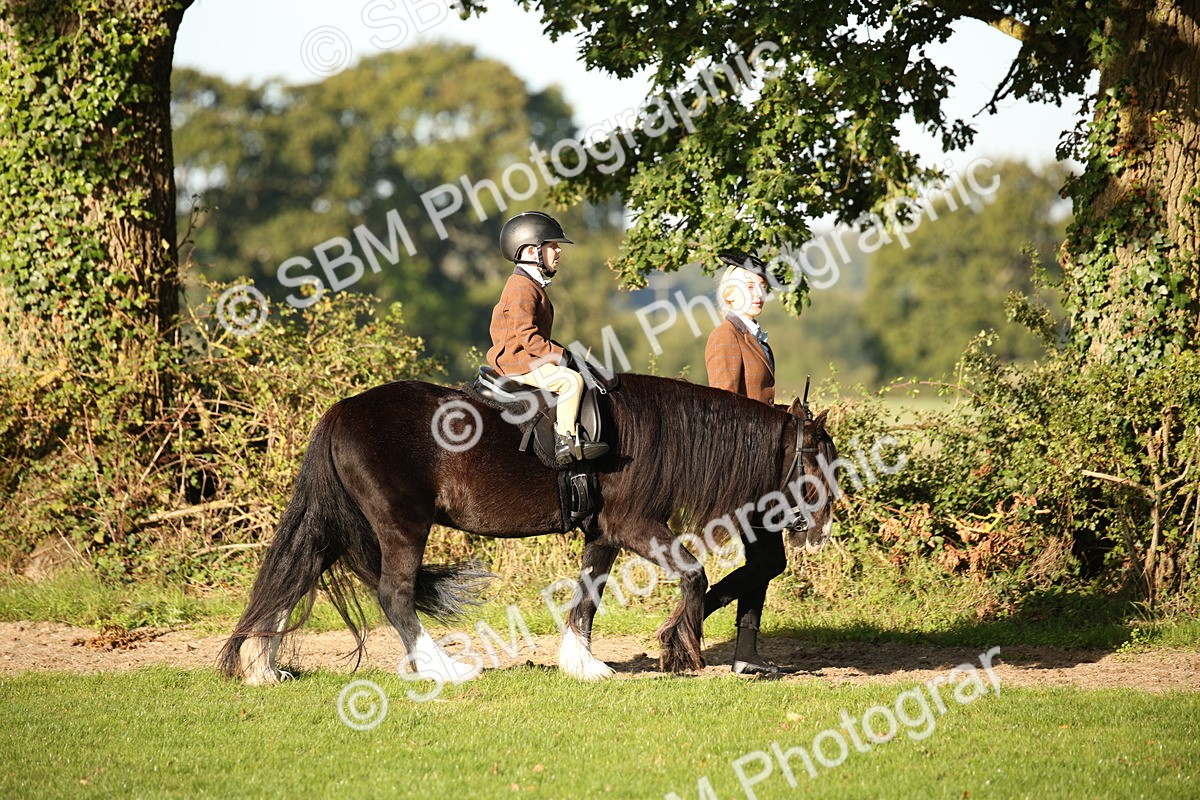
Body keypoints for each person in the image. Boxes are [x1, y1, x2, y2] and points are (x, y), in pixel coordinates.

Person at [702, 251, 789, 675]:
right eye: (750, 286)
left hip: (763, 463)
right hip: (742, 468)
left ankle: (746, 653)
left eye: (763, 287)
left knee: (765, 559)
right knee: (769, 560)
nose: (759, 294)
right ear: (730, 295)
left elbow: (759, 402)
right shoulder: (725, 337)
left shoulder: (756, 337)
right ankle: (695, 613)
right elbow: (725, 409)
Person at [487, 211, 608, 465]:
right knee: (570, 381)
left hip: (525, 358)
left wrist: (566, 355)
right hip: (516, 361)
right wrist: (562, 357)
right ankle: (566, 441)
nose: (558, 251)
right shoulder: (521, 287)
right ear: (532, 252)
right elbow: (528, 336)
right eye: (552, 246)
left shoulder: (530, 284)